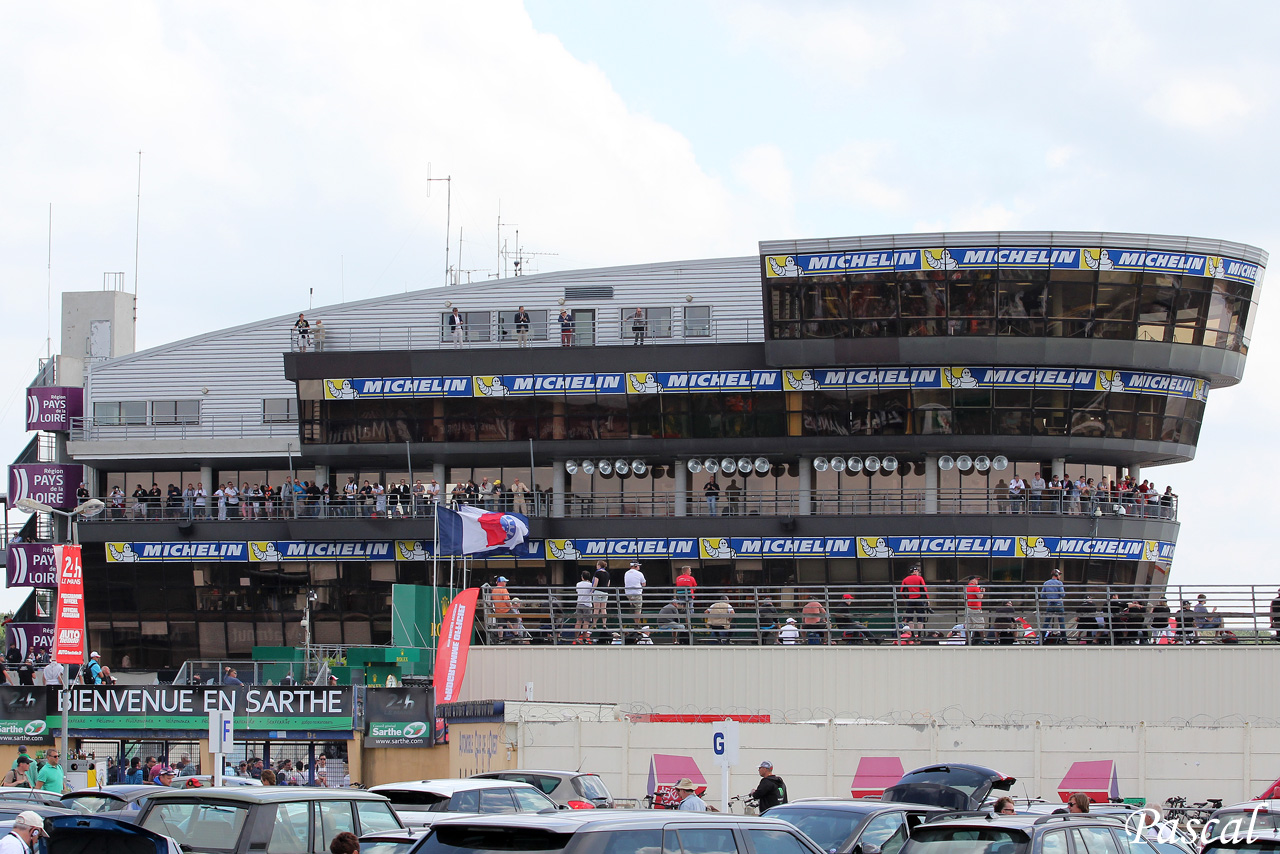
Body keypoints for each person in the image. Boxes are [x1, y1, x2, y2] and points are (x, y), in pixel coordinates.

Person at [900, 566, 929, 631]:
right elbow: (924, 589)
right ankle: (919, 634)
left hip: (910, 600)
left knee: (910, 618)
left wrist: (906, 598)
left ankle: (912, 633)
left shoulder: (905, 579)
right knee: (920, 618)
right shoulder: (920, 578)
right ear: (915, 572)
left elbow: (902, 591)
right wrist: (927, 599)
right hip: (919, 599)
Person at [1040, 569, 1066, 643]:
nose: (1060, 576)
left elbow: (1042, 595)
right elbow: (1062, 594)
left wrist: (1049, 596)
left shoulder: (1046, 583)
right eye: (1059, 575)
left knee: (1046, 622)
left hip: (1050, 604)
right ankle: (1064, 640)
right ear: (1057, 575)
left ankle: (1042, 639)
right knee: (1061, 623)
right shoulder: (1059, 583)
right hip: (1058, 604)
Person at [574, 570, 594, 643]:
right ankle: (584, 638)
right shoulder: (590, 585)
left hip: (579, 603)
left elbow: (577, 591)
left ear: (582, 577)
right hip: (587, 604)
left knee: (578, 621)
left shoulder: (578, 584)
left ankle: (576, 637)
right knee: (586, 622)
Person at [964, 576, 984, 645]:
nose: (977, 581)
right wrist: (982, 592)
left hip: (968, 607)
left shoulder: (966, 587)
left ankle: (968, 641)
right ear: (972, 580)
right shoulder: (975, 587)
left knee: (968, 625)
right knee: (980, 625)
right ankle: (981, 640)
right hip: (975, 608)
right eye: (976, 580)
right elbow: (980, 596)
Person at [591, 560, 611, 630]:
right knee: (603, 609)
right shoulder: (607, 573)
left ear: (599, 565)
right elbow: (608, 583)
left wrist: (592, 591)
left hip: (597, 591)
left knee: (596, 609)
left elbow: (595, 582)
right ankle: (604, 625)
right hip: (605, 592)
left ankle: (594, 625)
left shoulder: (597, 573)